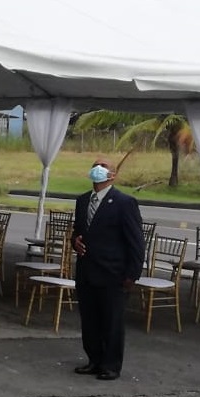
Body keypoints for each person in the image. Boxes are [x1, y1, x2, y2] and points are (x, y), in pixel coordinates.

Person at [71, 158, 146, 381]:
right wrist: (75, 241)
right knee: (90, 319)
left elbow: (136, 242)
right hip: (87, 271)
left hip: (113, 273)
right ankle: (94, 359)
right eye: (95, 164)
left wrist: (132, 274)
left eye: (103, 166)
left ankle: (111, 365)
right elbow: (77, 231)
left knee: (111, 321)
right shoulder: (83, 201)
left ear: (112, 175)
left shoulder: (124, 202)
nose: (97, 168)